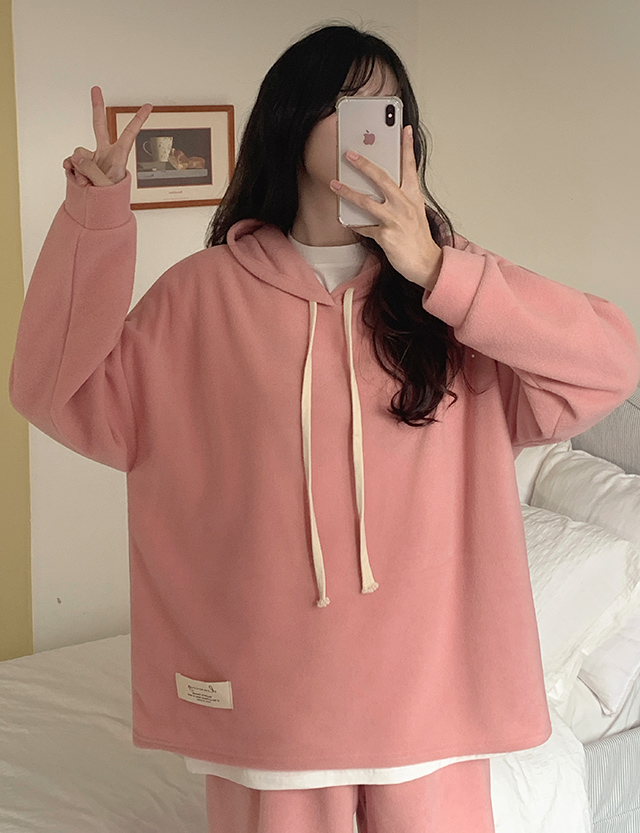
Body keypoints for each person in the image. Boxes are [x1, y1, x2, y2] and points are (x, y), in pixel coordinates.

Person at [9, 20, 639, 833]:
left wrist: (438, 267)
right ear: (292, 117)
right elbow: (55, 391)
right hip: (271, 712)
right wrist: (94, 219)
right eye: (349, 101)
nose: (371, 121)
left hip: (433, 711)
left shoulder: (454, 295)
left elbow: (608, 365)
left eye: (389, 107)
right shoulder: (201, 296)